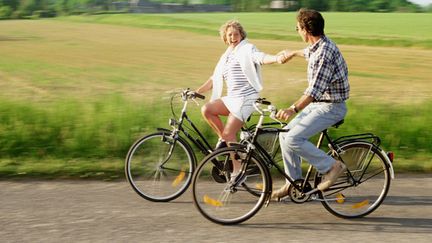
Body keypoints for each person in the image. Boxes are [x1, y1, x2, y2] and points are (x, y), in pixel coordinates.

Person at [272, 8, 350, 199]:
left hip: (331, 107)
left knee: (293, 139)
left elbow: (313, 92)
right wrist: (292, 53)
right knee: (284, 136)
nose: (297, 31)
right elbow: (308, 52)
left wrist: (292, 109)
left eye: (297, 28)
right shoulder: (319, 45)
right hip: (321, 104)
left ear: (306, 30)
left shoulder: (324, 54)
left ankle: (332, 166)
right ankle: (294, 184)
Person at [195, 20, 285, 178]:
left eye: (236, 34)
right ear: (225, 38)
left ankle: (237, 170)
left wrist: (276, 58)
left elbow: (260, 57)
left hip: (246, 99)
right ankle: (226, 142)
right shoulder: (227, 55)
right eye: (229, 35)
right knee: (207, 109)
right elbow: (215, 78)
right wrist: (197, 91)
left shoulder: (247, 49)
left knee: (230, 134)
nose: (233, 37)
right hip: (232, 98)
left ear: (241, 35)